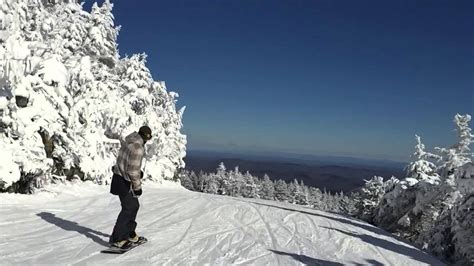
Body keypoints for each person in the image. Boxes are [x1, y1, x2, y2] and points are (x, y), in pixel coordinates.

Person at [109, 125, 152, 248]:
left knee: (134, 206)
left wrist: (138, 173)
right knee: (128, 208)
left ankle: (129, 233)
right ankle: (117, 238)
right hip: (124, 181)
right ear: (147, 138)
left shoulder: (130, 141)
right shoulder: (138, 147)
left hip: (119, 177)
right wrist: (137, 188)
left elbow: (126, 162)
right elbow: (132, 171)